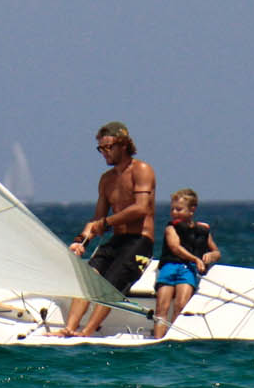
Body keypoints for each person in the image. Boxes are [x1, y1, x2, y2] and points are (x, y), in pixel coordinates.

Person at [50, 121, 156, 337]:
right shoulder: (106, 180)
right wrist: (81, 241)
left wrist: (106, 223)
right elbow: (97, 218)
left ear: (123, 145)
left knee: (111, 285)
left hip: (139, 242)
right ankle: (70, 328)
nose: (104, 153)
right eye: (101, 148)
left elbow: (141, 208)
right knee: (87, 278)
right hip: (116, 240)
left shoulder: (142, 170)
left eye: (108, 147)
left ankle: (87, 332)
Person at [153, 188, 219, 338]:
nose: (174, 212)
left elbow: (216, 252)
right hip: (170, 267)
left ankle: (173, 338)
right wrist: (195, 259)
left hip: (187, 270)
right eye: (172, 209)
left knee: (180, 306)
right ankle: (158, 338)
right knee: (162, 308)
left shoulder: (202, 230)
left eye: (179, 209)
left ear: (192, 210)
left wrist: (211, 255)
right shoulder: (171, 228)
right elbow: (175, 248)